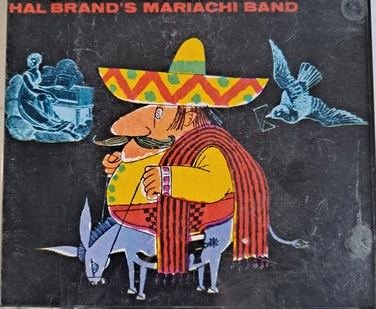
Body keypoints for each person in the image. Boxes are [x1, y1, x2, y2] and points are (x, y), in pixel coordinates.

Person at [98, 38, 270, 274]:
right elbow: (155, 160)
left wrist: (168, 180)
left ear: (188, 116)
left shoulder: (209, 146)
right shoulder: (171, 146)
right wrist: (122, 165)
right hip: (143, 219)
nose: (148, 117)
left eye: (159, 111)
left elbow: (214, 183)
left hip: (193, 220)